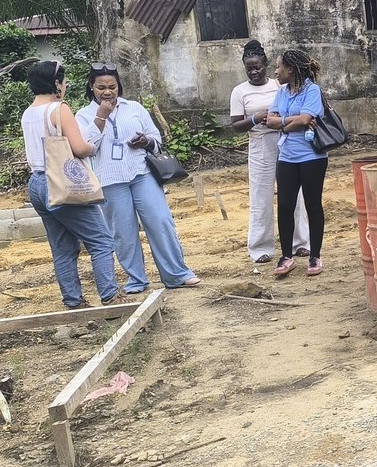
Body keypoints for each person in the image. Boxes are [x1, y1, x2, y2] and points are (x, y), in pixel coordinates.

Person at [77, 64, 202, 292]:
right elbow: (86, 147)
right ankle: (136, 279)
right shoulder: (83, 115)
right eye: (101, 87)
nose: (108, 92)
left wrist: (146, 141)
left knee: (161, 221)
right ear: (91, 87)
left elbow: (156, 140)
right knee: (123, 232)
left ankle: (177, 274)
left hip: (141, 173)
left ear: (119, 86)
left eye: (112, 87)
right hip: (110, 180)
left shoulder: (133, 107)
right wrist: (101, 117)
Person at [20, 60, 120, 308]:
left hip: (37, 183)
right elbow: (80, 148)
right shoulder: (59, 109)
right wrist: (92, 145)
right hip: (62, 183)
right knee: (101, 240)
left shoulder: (28, 112)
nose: (65, 86)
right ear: (56, 83)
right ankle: (110, 296)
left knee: (63, 248)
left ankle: (73, 302)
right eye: (63, 82)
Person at [229, 40, 310, 264]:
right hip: (260, 145)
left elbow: (294, 108)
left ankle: (300, 242)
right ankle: (260, 247)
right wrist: (255, 119)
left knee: (293, 194)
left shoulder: (279, 86)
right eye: (249, 69)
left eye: (258, 67)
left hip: (286, 140)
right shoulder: (240, 92)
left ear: (266, 64)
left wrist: (278, 119)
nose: (254, 72)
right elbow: (235, 125)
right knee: (260, 196)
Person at [264, 49, 326, 278]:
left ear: (290, 69)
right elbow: (270, 120)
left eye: (278, 67)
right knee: (285, 205)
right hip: (286, 157)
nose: (275, 71)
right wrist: (291, 122)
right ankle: (286, 256)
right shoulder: (282, 92)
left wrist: (284, 124)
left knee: (312, 204)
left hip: (312, 157)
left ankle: (315, 256)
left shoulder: (312, 90)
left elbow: (306, 119)